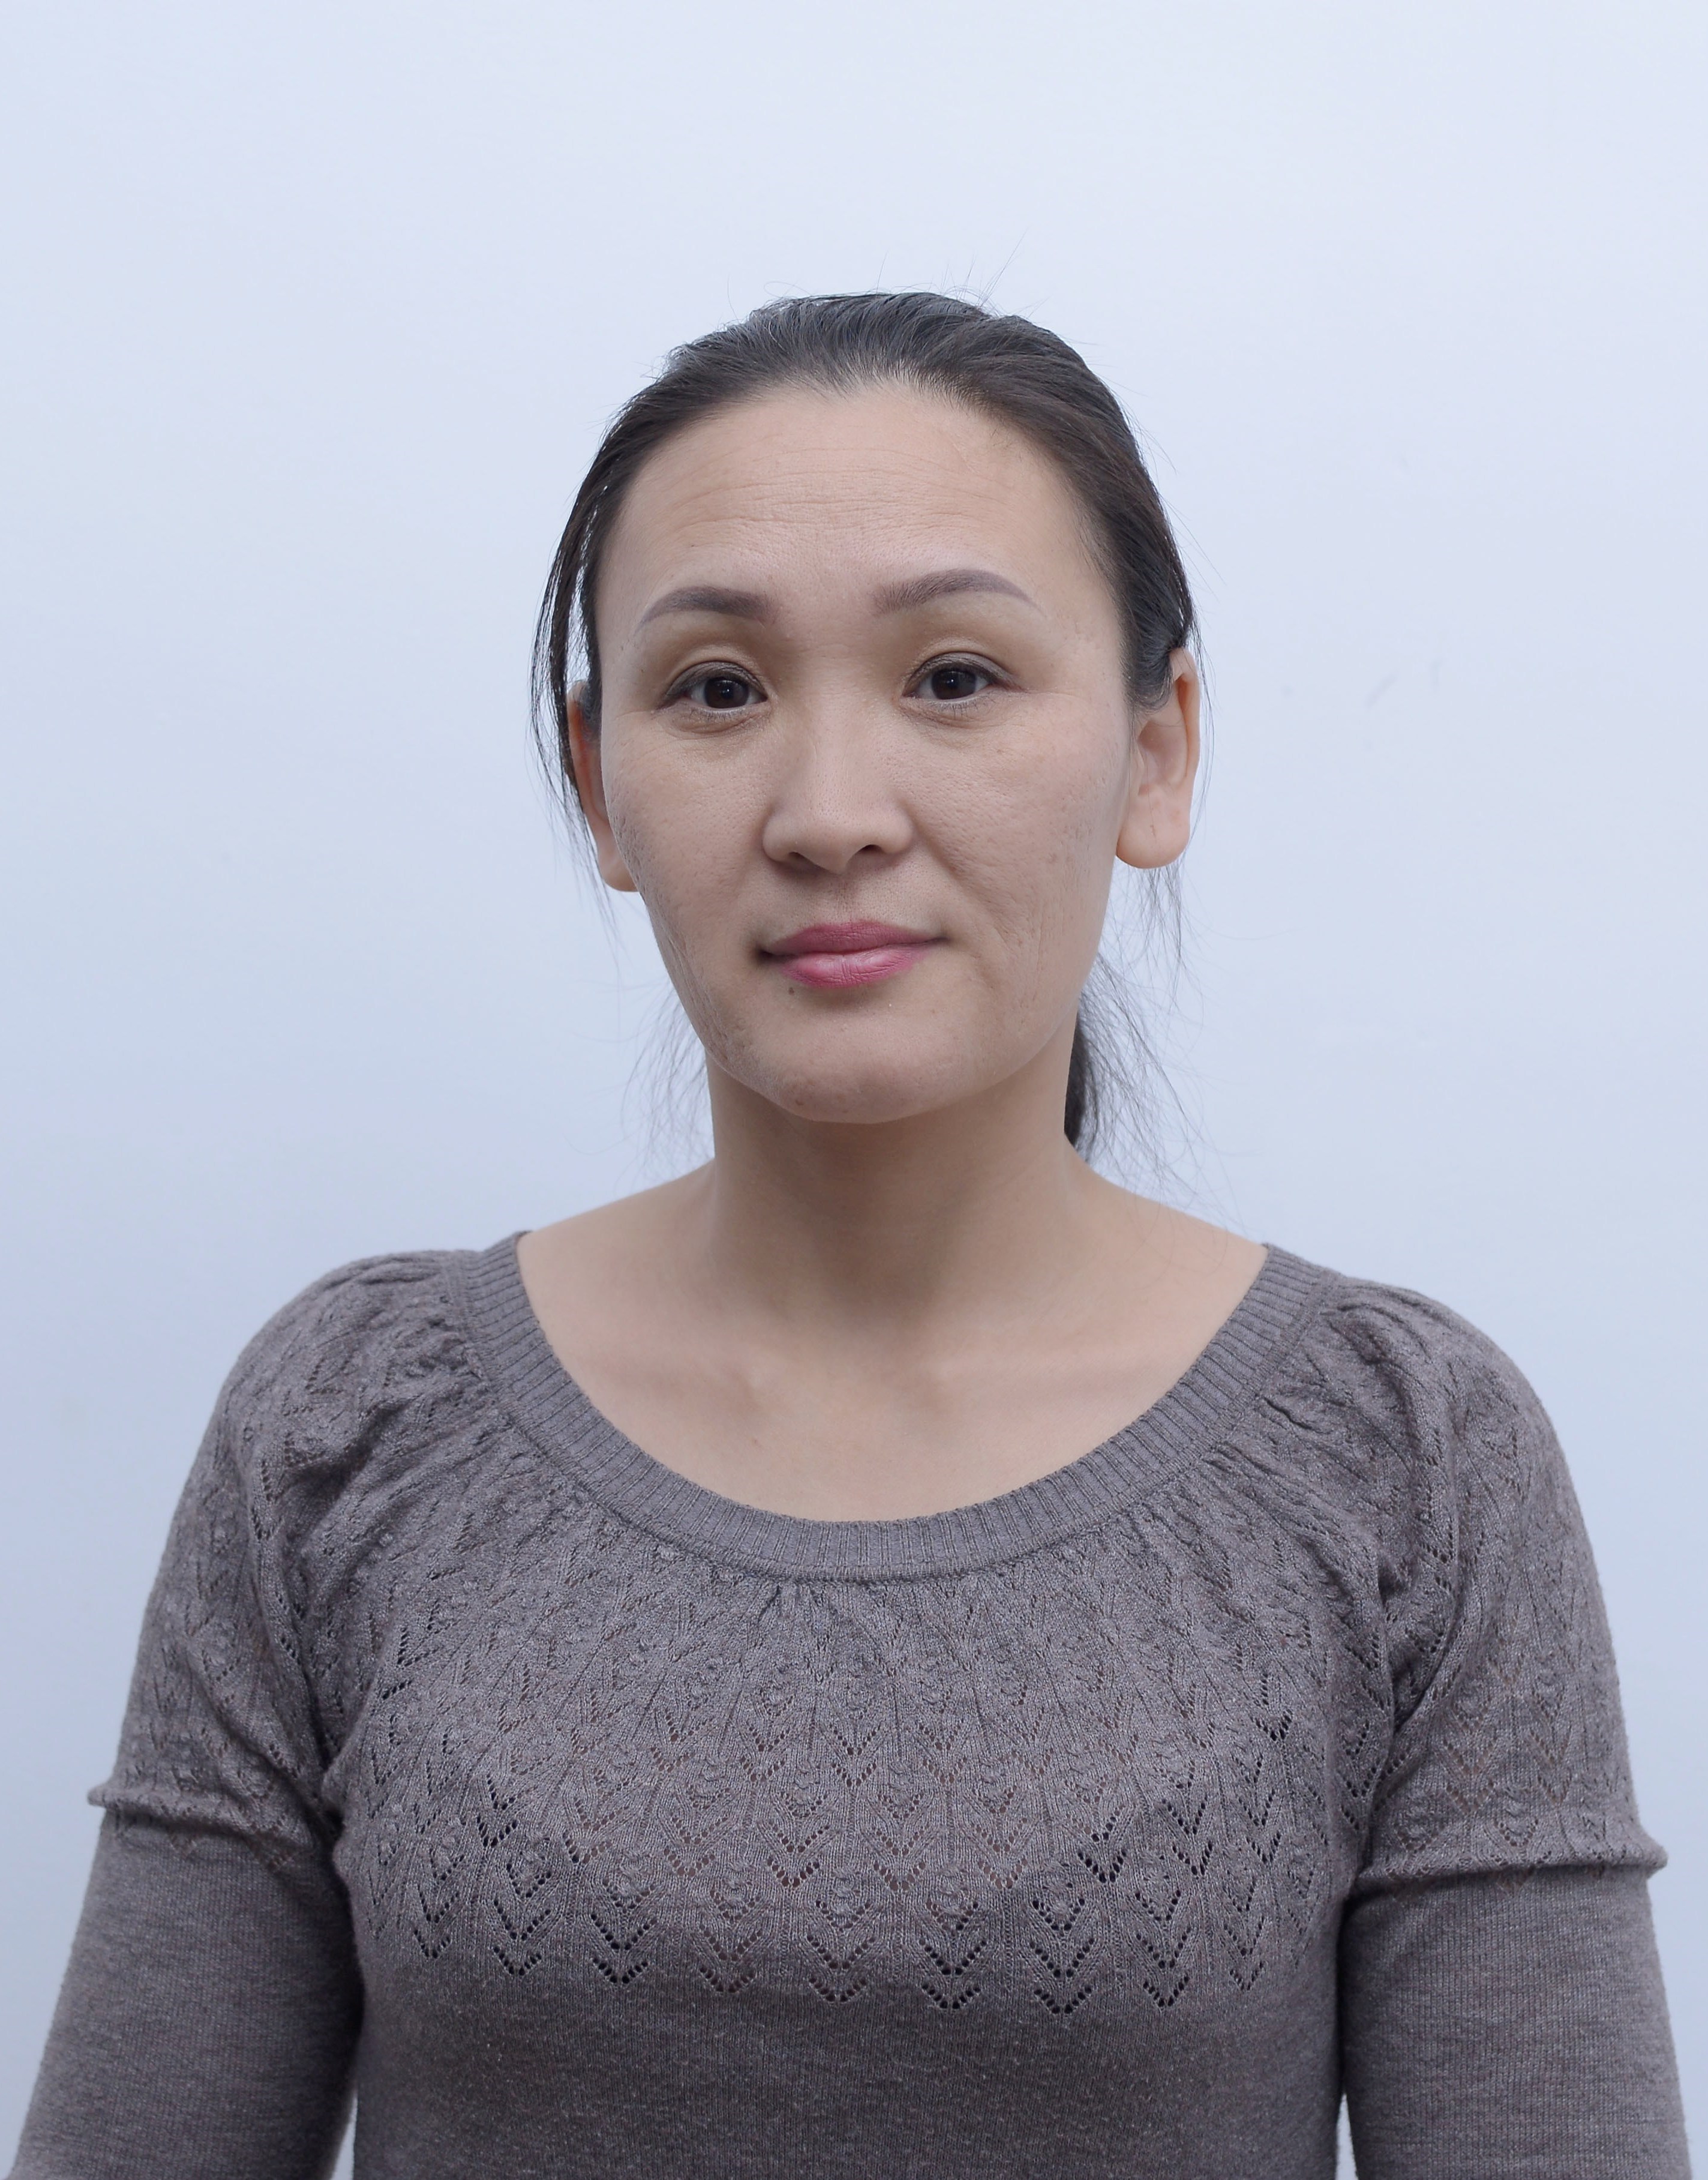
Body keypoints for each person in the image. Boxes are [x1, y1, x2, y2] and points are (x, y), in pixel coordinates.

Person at [10, 293, 1688, 2180]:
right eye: (717, 689)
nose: (828, 816)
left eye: (955, 676)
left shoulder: (1410, 1460)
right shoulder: (347, 1422)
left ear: (1158, 749)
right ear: (600, 784)